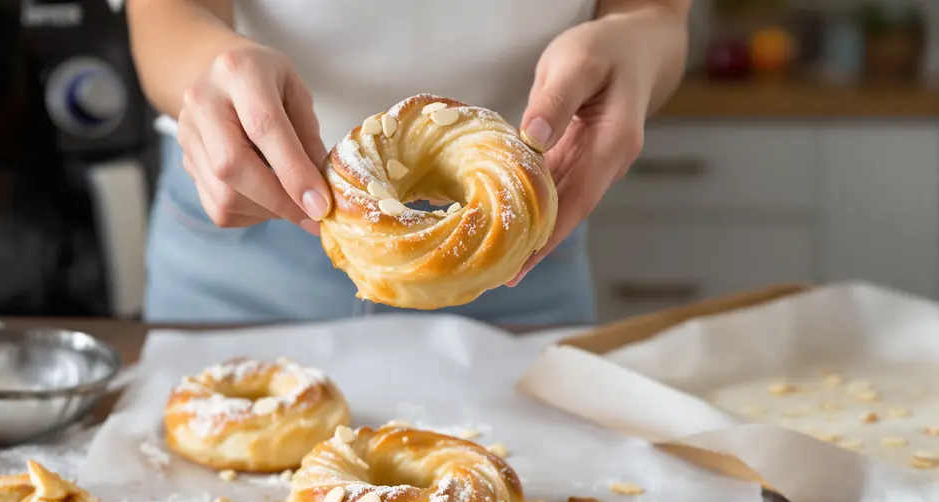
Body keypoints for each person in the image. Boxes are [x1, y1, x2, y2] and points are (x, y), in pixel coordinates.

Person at [128, 0, 690, 323]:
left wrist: (637, 41)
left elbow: (656, 12)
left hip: (517, 241)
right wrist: (206, 65)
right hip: (243, 218)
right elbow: (165, 12)